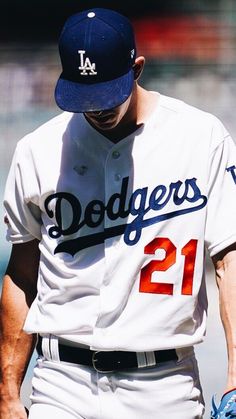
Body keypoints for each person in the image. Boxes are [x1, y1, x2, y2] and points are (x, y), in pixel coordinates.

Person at [1, 7, 236, 419]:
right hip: (62, 384)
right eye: (84, 96)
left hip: (164, 385)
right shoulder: (38, 151)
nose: (97, 108)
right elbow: (22, 274)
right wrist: (6, 391)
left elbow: (230, 262)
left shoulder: (201, 138)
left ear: (137, 68)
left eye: (107, 93)